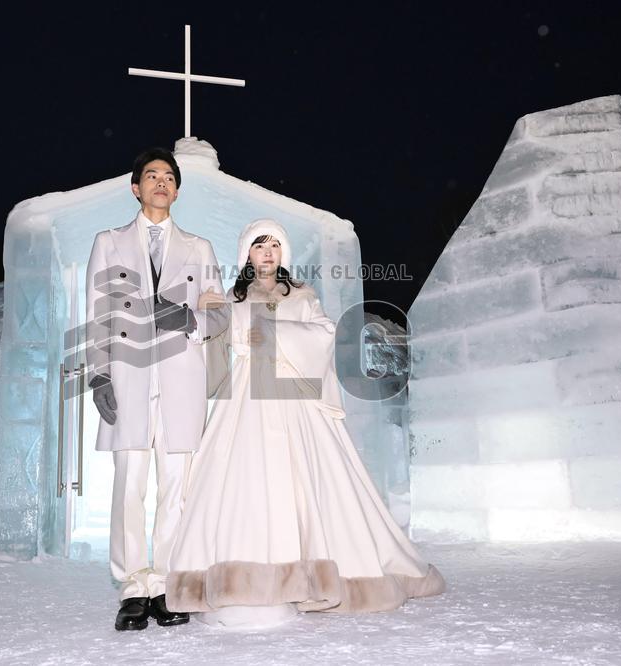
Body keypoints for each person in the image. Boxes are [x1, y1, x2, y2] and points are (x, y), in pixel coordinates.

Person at [167, 218, 445, 625]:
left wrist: (269, 331)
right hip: (247, 398)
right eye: (260, 246)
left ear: (283, 255)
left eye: (274, 246)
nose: (267, 252)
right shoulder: (234, 297)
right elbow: (218, 337)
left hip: (294, 394)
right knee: (248, 480)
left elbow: (324, 334)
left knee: (306, 478)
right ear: (247, 253)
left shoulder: (301, 294)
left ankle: (315, 573)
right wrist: (202, 320)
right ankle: (242, 576)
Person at [85, 147, 226, 631]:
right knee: (129, 487)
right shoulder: (108, 242)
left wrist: (189, 318)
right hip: (128, 377)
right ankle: (131, 587)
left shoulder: (199, 247)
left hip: (180, 378)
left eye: (169, 177)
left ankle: (166, 584)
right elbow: (98, 314)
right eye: (152, 175)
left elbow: (218, 314)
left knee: (176, 489)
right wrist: (99, 372)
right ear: (135, 187)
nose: (161, 183)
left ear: (178, 190)